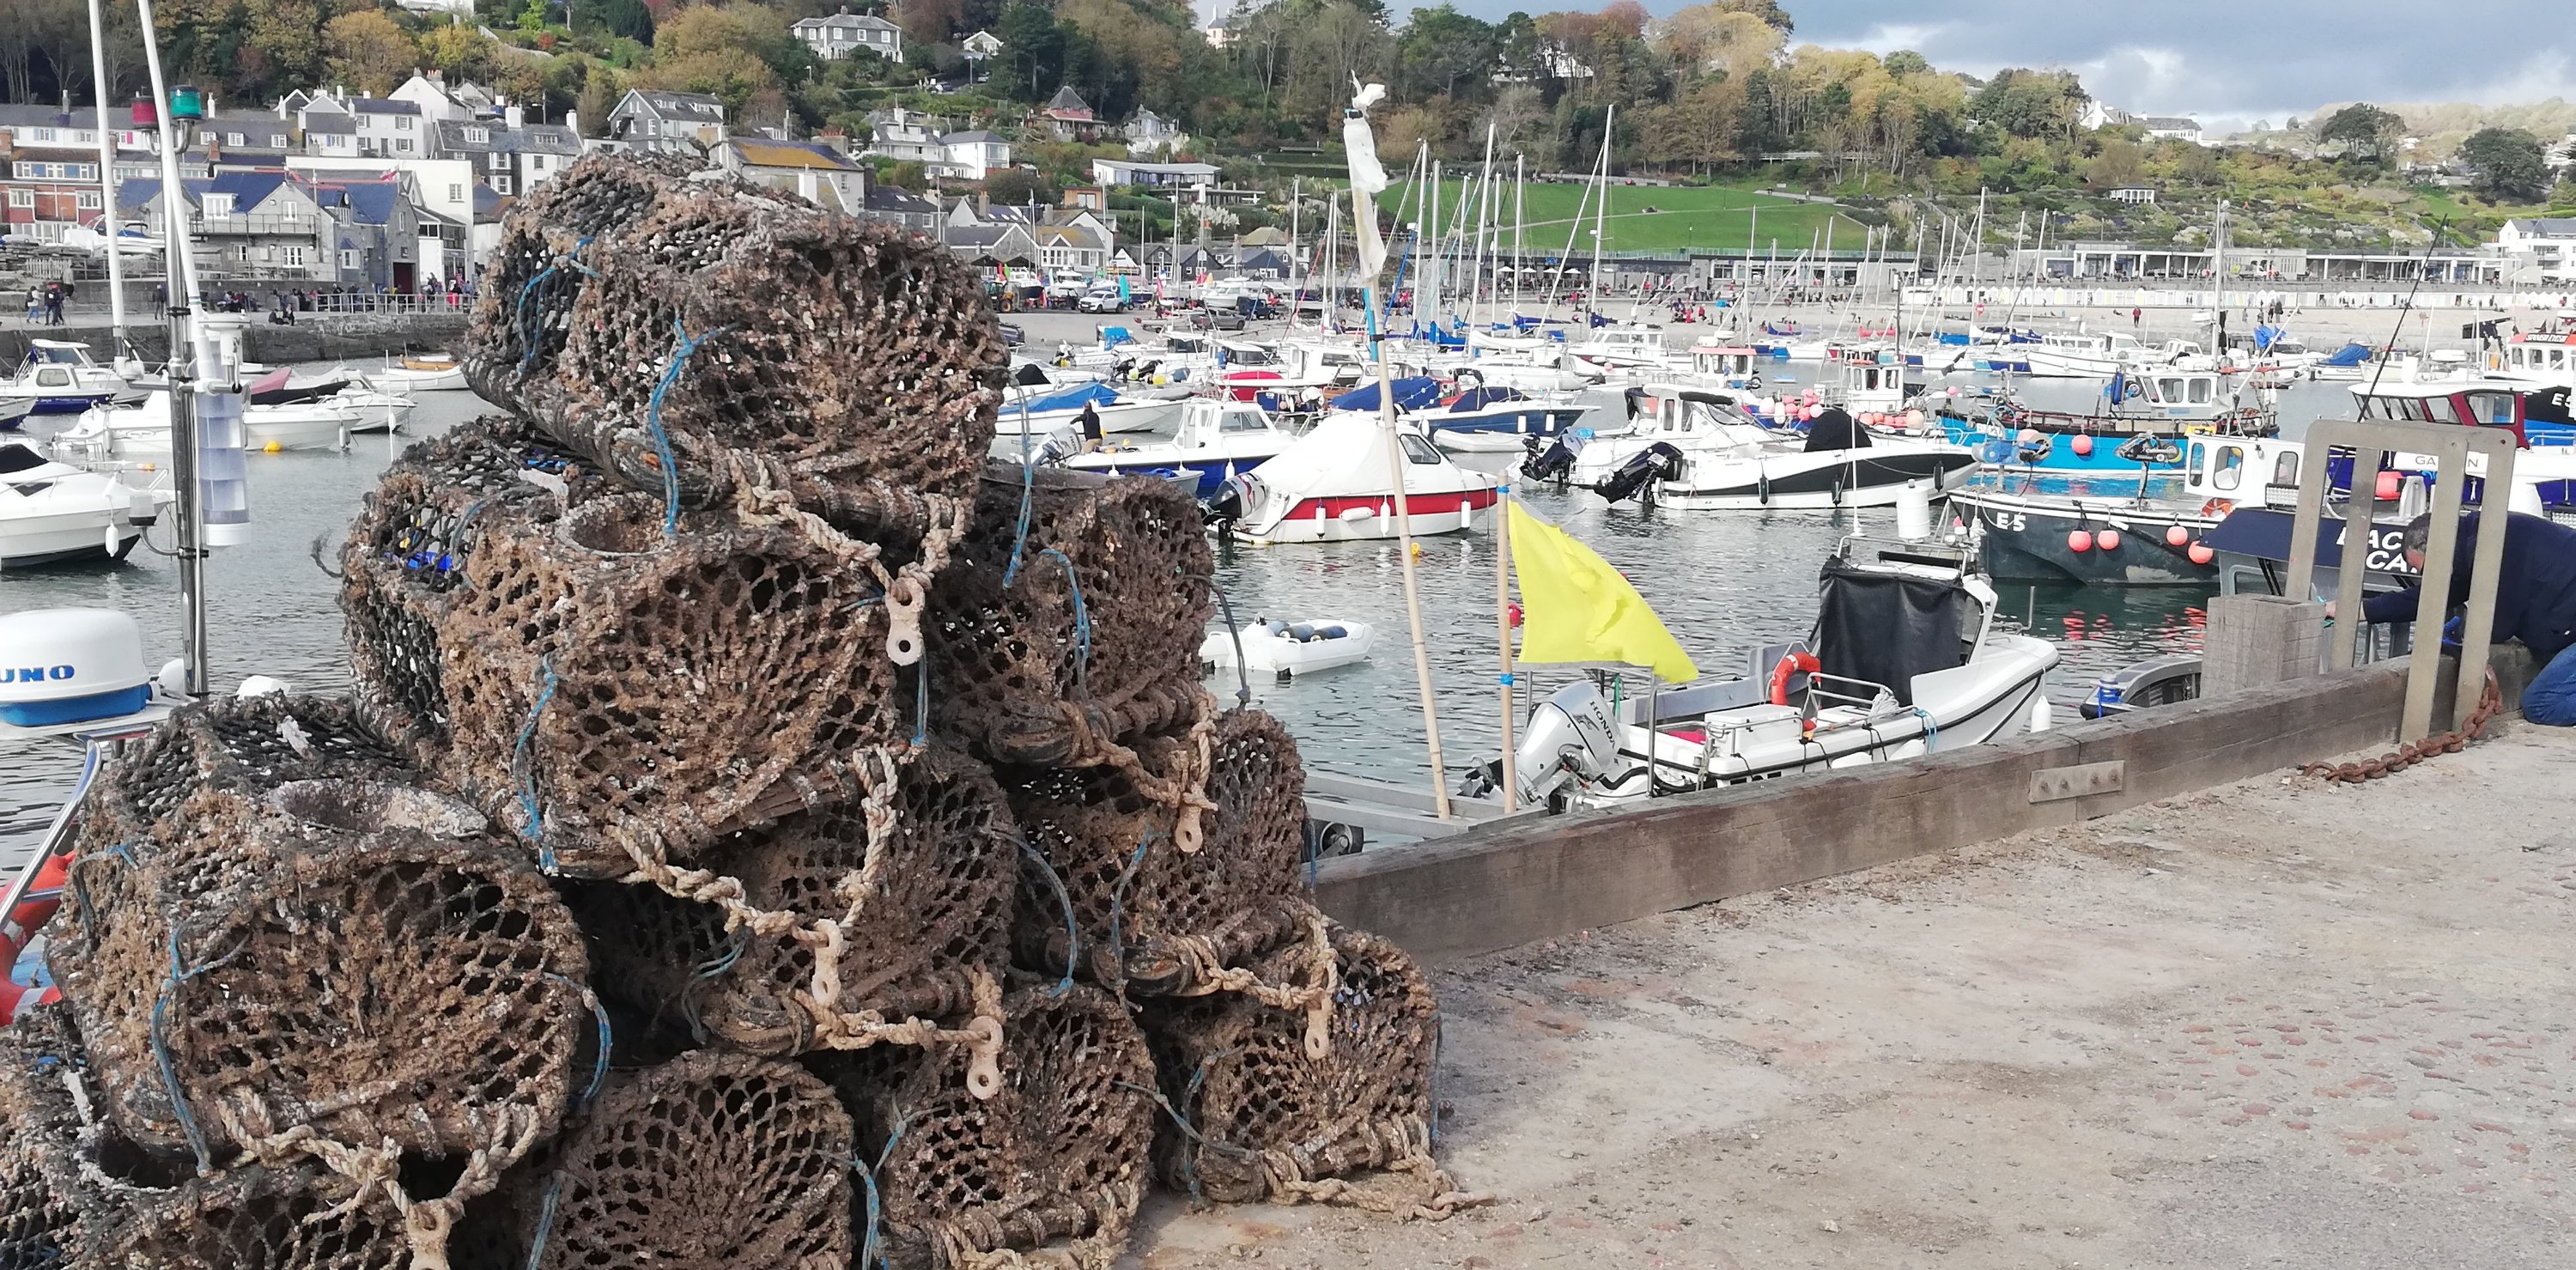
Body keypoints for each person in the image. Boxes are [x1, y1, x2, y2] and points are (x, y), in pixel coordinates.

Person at [2335, 511, 2576, 726]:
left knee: (2540, 705)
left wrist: (2455, 639)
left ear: (2437, 548)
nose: (2427, 578)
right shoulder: (2473, 546)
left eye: (2426, 571)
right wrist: (2357, 611)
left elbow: (2498, 626)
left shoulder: (2500, 545)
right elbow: (2424, 599)